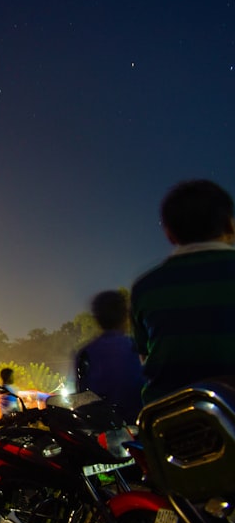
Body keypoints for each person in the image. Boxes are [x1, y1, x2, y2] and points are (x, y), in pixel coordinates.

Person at [131, 179, 235, 404]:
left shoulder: (146, 288)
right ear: (230, 225)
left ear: (169, 234)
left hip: (169, 422)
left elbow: (145, 357)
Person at [75, 290, 145, 422]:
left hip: (104, 431)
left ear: (97, 318)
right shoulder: (137, 347)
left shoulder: (86, 353)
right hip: (138, 426)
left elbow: (83, 399)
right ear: (126, 316)